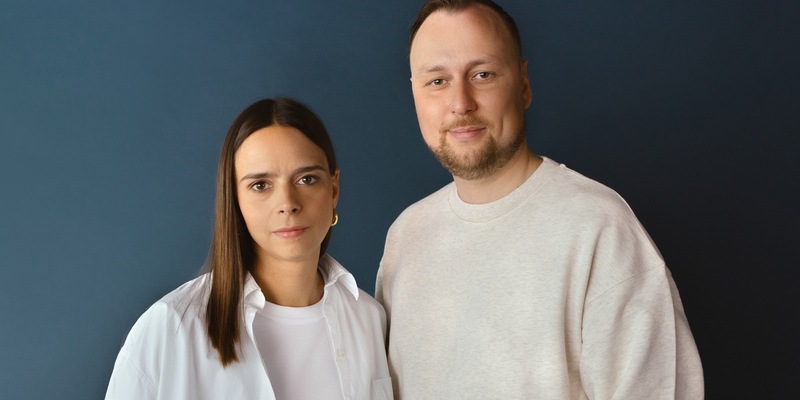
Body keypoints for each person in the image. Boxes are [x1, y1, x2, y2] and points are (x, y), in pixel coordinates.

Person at [375, 1, 704, 398]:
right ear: (415, 95)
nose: (461, 103)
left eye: (483, 74)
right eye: (437, 81)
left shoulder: (598, 227)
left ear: (524, 85)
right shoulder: (406, 236)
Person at [106, 98, 393, 400]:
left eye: (307, 179)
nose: (287, 203)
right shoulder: (170, 328)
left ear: (333, 189)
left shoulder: (369, 319)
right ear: (235, 198)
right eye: (260, 185)